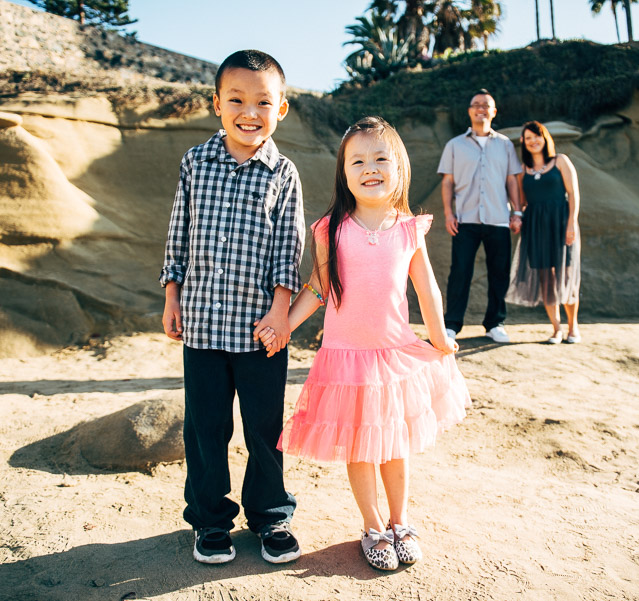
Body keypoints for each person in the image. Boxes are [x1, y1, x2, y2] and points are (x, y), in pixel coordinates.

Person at [260, 116, 470, 571]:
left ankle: (400, 521)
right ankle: (373, 526)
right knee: (359, 448)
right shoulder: (330, 229)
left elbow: (426, 288)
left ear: (399, 168)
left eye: (380, 158)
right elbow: (318, 287)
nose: (370, 168)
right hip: (346, 361)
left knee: (394, 446)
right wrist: (285, 325)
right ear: (344, 172)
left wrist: (439, 337)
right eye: (357, 161)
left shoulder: (408, 228)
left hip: (393, 357)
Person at [159, 49, 304, 566]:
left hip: (260, 330)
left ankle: (270, 516)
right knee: (205, 430)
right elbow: (179, 233)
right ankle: (210, 521)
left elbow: (288, 247)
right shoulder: (195, 163)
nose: (250, 112)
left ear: (280, 109)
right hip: (201, 324)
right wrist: (172, 295)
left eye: (263, 102)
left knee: (265, 430)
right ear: (217, 104)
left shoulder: (283, 173)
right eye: (237, 100)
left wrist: (281, 312)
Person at [438, 88, 523, 343]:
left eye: (486, 105)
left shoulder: (505, 145)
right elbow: (447, 182)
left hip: (499, 218)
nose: (481, 108)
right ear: (469, 111)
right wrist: (448, 214)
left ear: (493, 111)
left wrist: (517, 211)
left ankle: (495, 323)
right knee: (460, 273)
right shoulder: (454, 145)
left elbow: (512, 180)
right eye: (476, 104)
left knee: (500, 273)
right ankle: (452, 325)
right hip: (464, 219)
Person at [506, 121, 582, 344]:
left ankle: (573, 328)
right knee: (545, 278)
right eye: (528, 138)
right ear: (524, 142)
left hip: (561, 223)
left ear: (545, 138)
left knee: (566, 275)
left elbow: (574, 194)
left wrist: (571, 223)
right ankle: (556, 329)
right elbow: (521, 203)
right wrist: (516, 217)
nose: (533, 141)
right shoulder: (523, 170)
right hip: (536, 227)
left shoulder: (561, 161)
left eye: (537, 136)